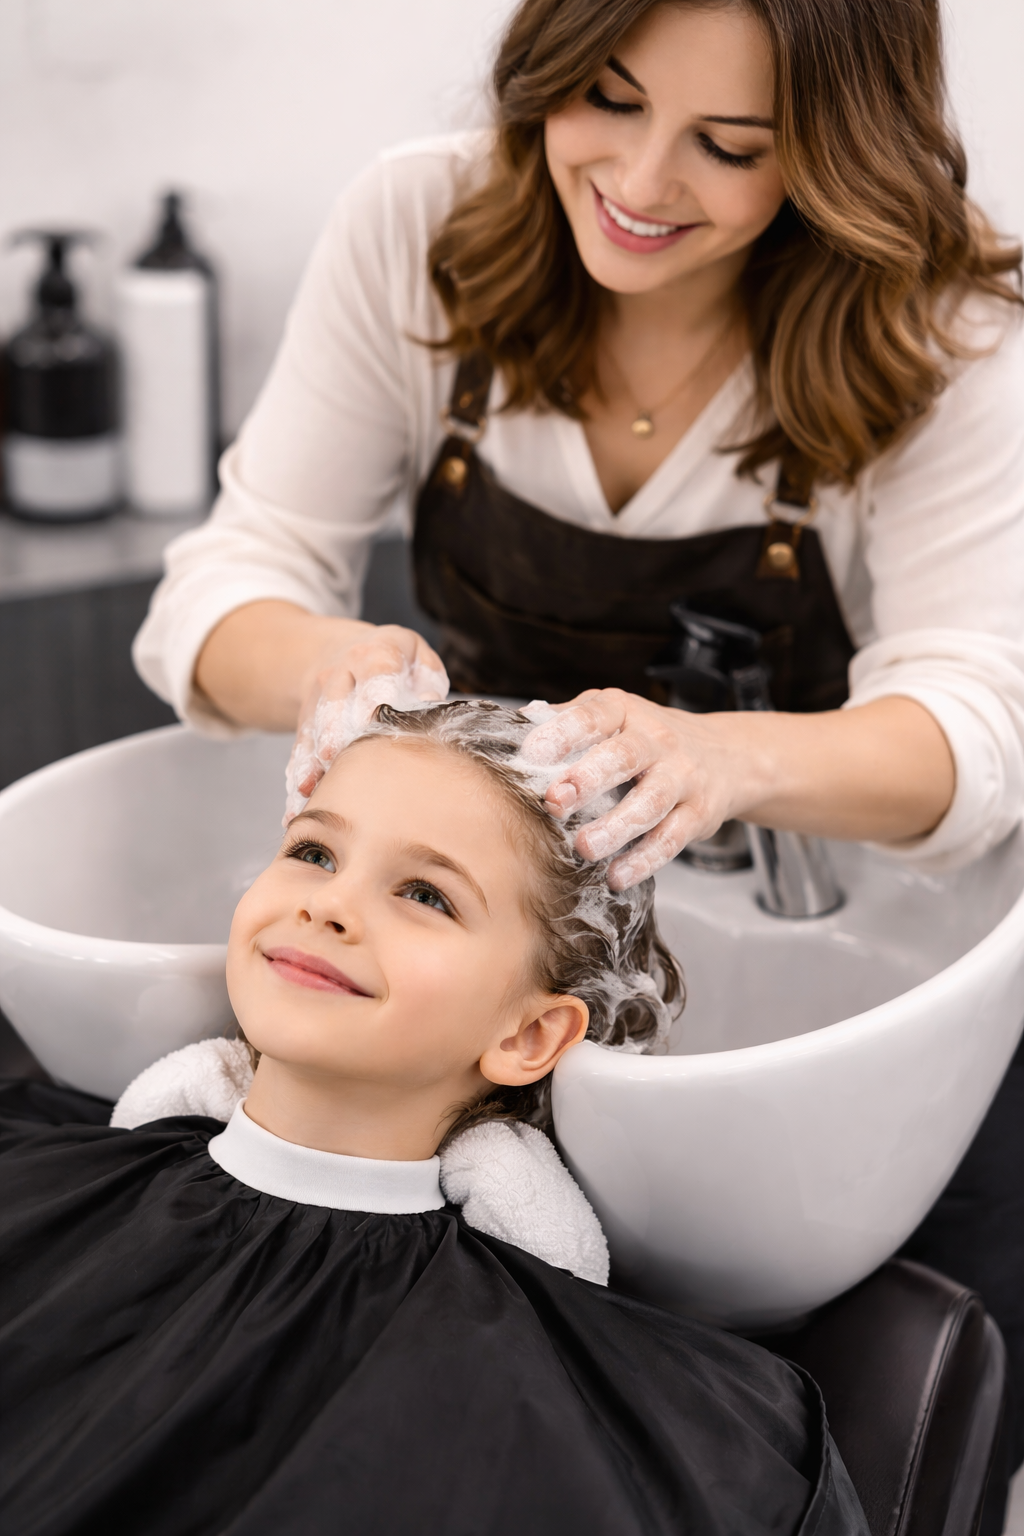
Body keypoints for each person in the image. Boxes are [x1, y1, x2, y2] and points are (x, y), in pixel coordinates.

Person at [131, 0, 1023, 1522]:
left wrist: (721, 760)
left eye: (731, 146)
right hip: (479, 972)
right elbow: (227, 582)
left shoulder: (934, 327)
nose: (643, 180)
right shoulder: (423, 225)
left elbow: (978, 726)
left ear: (834, 153)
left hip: (848, 968)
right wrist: (328, 665)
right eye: (605, 100)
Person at [0, 701, 868, 1536]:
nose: (328, 905)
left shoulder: (498, 1373)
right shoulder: (41, 1188)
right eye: (313, 851)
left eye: (424, 895)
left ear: (528, 1036)